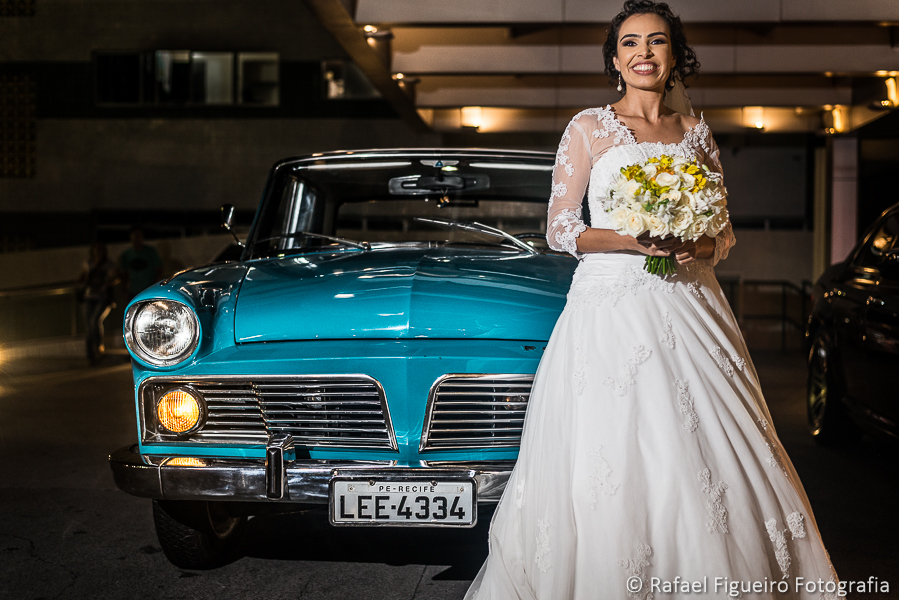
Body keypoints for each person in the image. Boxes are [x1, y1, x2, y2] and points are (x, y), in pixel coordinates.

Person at [464, 2, 840, 598]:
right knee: (614, 446)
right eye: (631, 42)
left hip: (691, 303)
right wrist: (630, 240)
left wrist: (701, 242)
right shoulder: (588, 128)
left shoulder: (697, 134)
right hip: (610, 308)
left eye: (657, 41)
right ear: (615, 59)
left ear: (674, 56)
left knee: (709, 447)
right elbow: (560, 228)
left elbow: (725, 232)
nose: (644, 52)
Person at [79, 242, 117, 365]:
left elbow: (115, 278)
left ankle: (99, 347)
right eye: (96, 250)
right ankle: (91, 355)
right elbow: (81, 278)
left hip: (103, 297)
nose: (98, 252)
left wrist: (110, 280)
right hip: (89, 297)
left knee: (95, 320)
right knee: (89, 325)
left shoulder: (109, 264)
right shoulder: (88, 263)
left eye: (100, 250)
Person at [119, 226, 163, 303]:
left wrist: (155, 287)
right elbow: (124, 274)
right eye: (135, 235)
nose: (137, 238)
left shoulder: (151, 252)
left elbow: (159, 270)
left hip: (149, 290)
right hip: (133, 291)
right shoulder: (126, 254)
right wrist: (124, 290)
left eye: (139, 235)